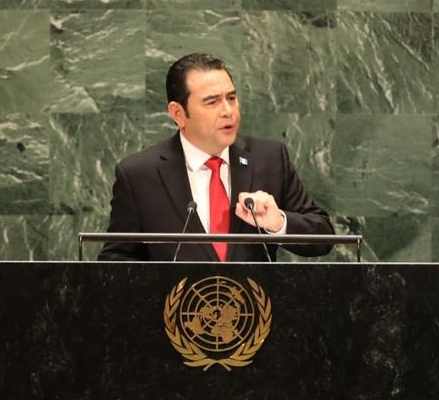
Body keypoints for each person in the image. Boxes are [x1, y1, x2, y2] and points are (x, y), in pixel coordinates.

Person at [98, 53, 334, 262]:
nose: (228, 111)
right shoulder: (140, 174)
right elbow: (116, 260)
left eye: (231, 98)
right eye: (212, 102)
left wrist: (278, 223)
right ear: (178, 114)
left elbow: (323, 236)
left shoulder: (269, 159)